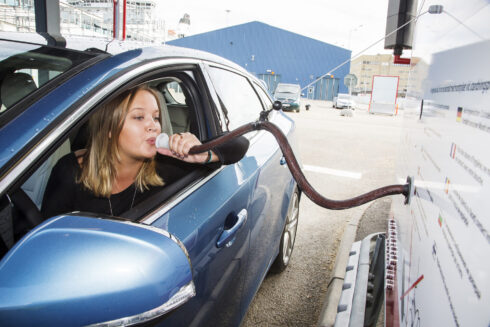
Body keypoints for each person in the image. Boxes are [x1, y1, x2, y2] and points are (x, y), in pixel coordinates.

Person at [41, 85, 248, 218]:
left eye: (156, 117)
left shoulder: (167, 164)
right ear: (110, 128)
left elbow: (239, 145)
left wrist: (203, 154)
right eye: (139, 117)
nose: (154, 126)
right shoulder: (69, 172)